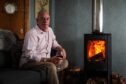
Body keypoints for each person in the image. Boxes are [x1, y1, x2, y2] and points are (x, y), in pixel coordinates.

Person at [19, 10, 68, 84]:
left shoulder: (50, 30)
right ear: (37, 20)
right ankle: (51, 71)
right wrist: (48, 60)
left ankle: (50, 72)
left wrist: (60, 48)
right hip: (29, 63)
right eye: (42, 18)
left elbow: (53, 43)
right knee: (51, 67)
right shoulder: (31, 34)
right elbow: (29, 55)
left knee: (64, 62)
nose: (45, 21)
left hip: (46, 62)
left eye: (47, 19)